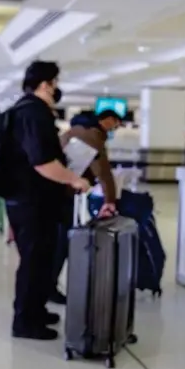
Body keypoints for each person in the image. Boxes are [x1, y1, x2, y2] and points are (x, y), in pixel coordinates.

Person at [5, 60, 90, 340]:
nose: (57, 88)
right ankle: (25, 321)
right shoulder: (34, 113)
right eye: (55, 82)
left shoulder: (26, 110)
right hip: (33, 203)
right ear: (45, 84)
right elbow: (42, 162)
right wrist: (74, 179)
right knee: (33, 261)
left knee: (40, 260)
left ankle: (36, 310)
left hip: (29, 200)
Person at [47, 109, 122, 304]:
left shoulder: (73, 132)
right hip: (61, 195)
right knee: (61, 242)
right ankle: (49, 287)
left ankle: (46, 286)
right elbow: (103, 172)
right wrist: (110, 200)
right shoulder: (93, 137)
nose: (115, 128)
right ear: (104, 120)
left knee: (51, 242)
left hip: (50, 192)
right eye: (114, 123)